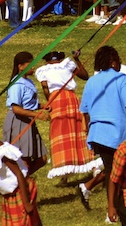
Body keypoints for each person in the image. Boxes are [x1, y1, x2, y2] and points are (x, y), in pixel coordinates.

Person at [79, 45, 126, 214]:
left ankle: (112, 210)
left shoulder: (91, 81)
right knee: (125, 170)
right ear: (113, 62)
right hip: (120, 133)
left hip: (98, 134)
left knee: (110, 171)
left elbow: (85, 110)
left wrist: (88, 130)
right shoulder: (121, 79)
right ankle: (120, 207)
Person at [35, 51, 102, 180]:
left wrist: (50, 103)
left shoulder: (44, 71)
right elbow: (85, 75)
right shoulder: (66, 65)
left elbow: (45, 88)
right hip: (71, 99)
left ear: (47, 61)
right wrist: (77, 59)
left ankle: (64, 172)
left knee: (60, 134)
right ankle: (93, 167)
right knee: (80, 130)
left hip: (57, 101)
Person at [3, 51, 48, 174]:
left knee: (42, 159)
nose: (33, 68)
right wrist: (37, 115)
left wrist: (42, 106)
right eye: (30, 64)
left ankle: (22, 179)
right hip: (19, 122)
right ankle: (21, 183)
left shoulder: (28, 81)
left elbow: (28, 103)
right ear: (20, 66)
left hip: (28, 120)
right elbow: (16, 108)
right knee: (24, 159)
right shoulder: (16, 84)